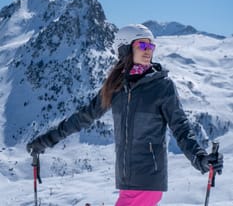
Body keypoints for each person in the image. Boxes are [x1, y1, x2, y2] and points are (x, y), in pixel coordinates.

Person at [27, 24, 223, 206]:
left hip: (147, 181)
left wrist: (200, 158)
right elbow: (83, 117)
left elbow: (181, 128)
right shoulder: (116, 87)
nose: (148, 50)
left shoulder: (162, 86)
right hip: (126, 181)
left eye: (151, 46)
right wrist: (46, 141)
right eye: (142, 44)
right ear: (125, 49)